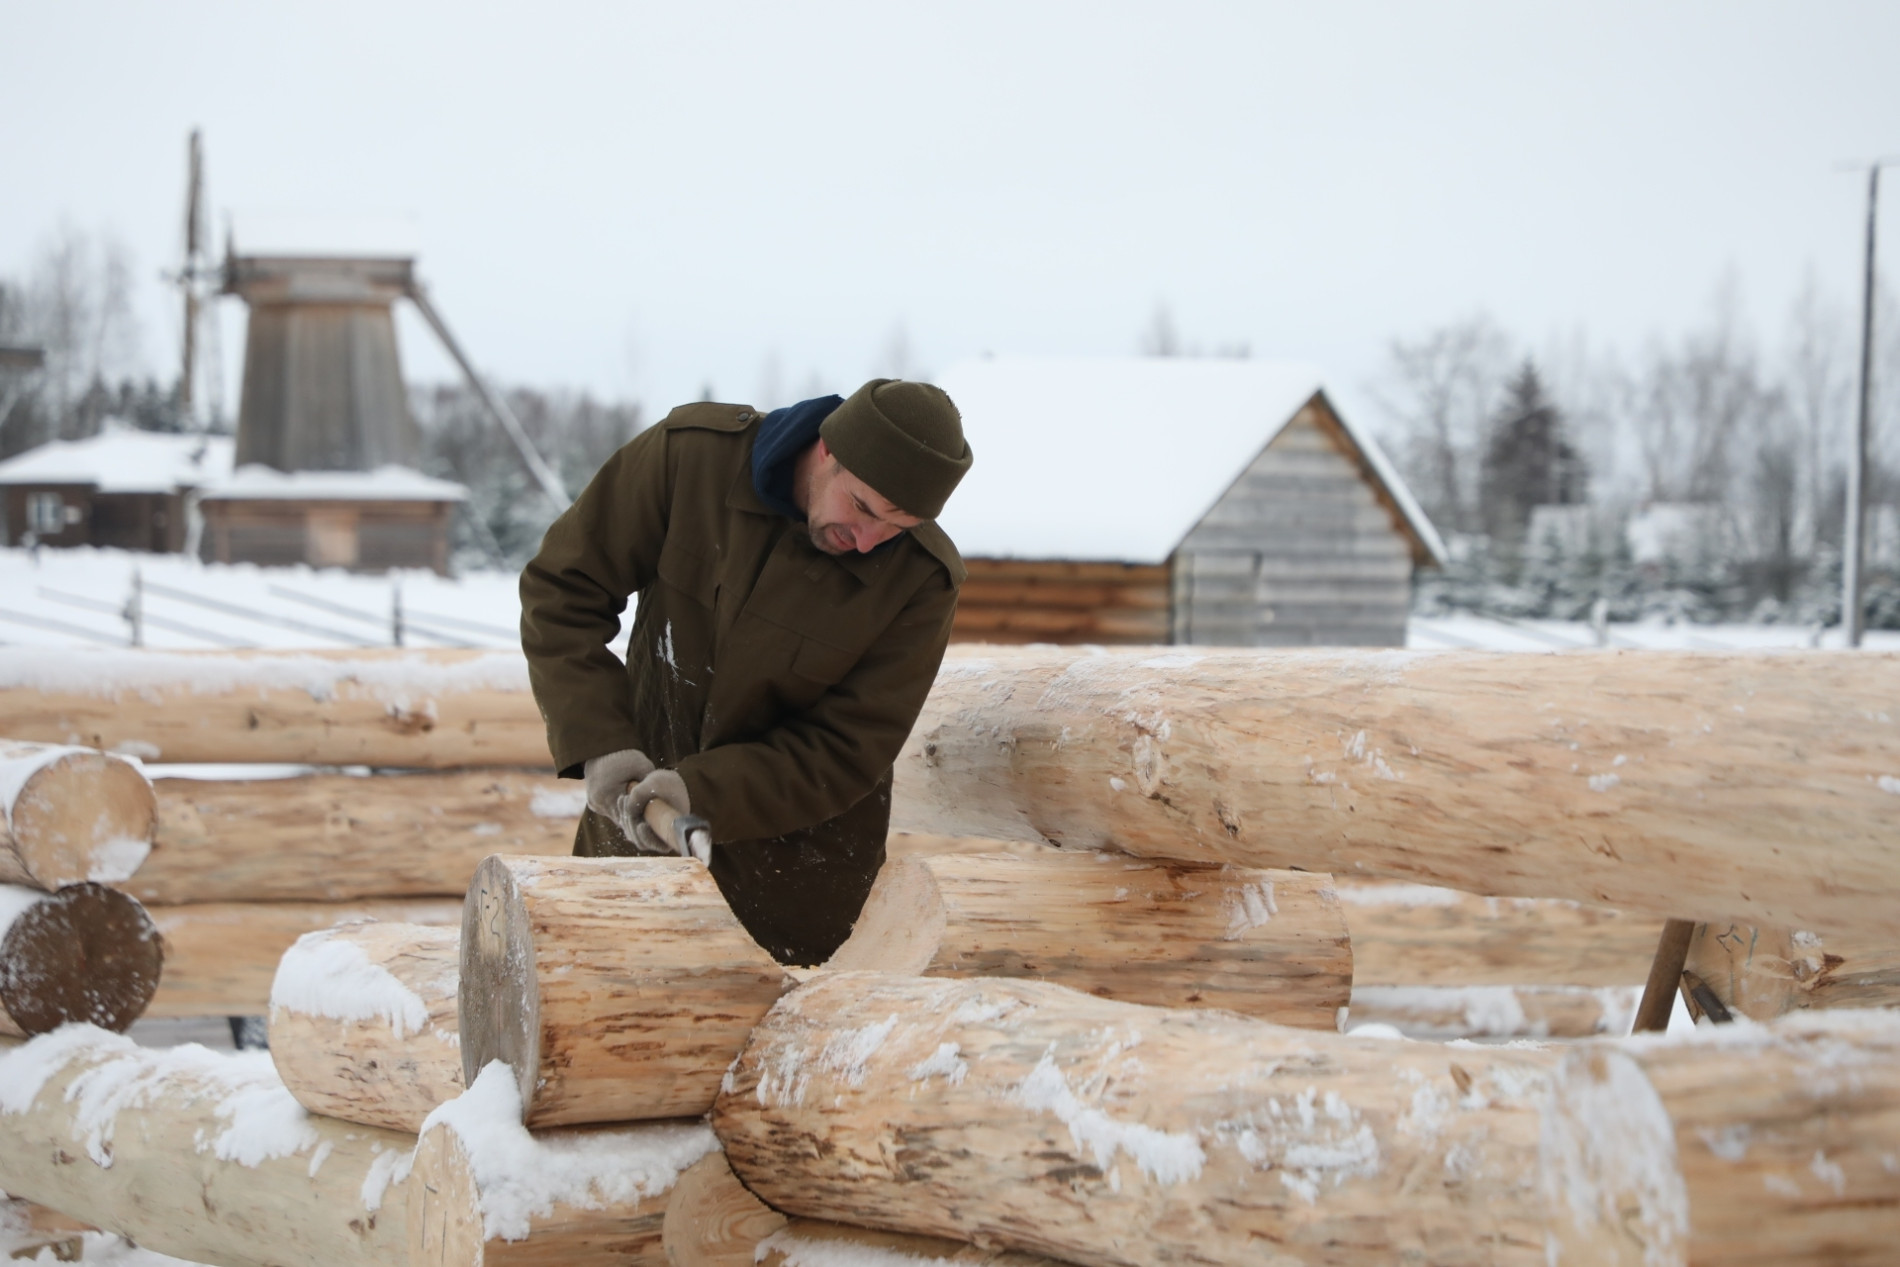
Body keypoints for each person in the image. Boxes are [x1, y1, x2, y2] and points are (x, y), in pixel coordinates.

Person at [519, 378, 971, 966]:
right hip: (632, 835)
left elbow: (843, 750)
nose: (867, 543)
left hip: (792, 885)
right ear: (828, 449)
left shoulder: (922, 580)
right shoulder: (691, 459)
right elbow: (563, 590)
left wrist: (700, 792)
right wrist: (599, 743)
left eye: (897, 526)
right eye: (862, 508)